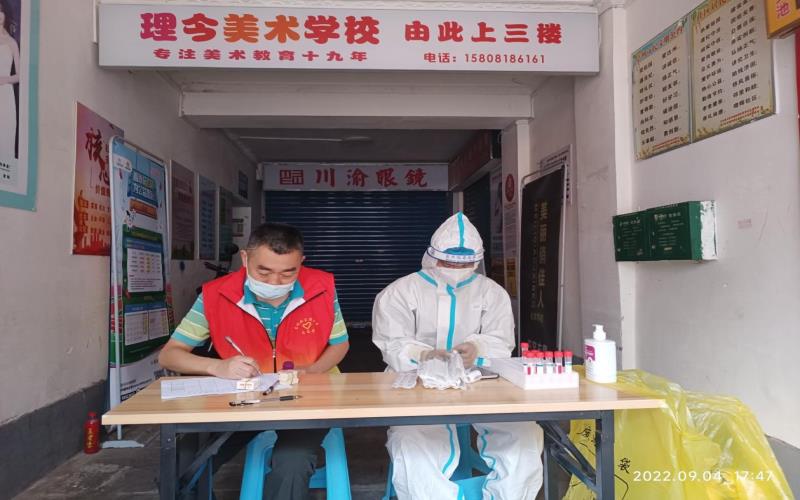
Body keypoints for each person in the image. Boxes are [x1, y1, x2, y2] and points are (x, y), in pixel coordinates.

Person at [159, 222, 349, 500]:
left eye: (288, 273)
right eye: (264, 271)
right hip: (244, 397)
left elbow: (340, 343)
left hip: (309, 397)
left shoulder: (321, 288)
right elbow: (170, 354)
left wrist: (311, 370)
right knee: (182, 464)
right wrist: (217, 366)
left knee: (292, 462)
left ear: (301, 262)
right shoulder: (216, 294)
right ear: (245, 258)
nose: (275, 282)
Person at [372, 212, 544, 500]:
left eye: (464, 265)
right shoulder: (400, 292)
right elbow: (392, 343)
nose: (455, 270)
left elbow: (501, 341)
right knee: (412, 443)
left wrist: (478, 349)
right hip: (416, 384)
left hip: (481, 383)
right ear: (432, 257)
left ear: (476, 262)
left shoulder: (492, 293)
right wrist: (423, 354)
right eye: (448, 263)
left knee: (523, 435)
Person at [0, 0, 20, 167]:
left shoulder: (12, 43)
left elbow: (20, 75)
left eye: (1, 11)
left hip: (6, 94)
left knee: (5, 133)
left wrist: (5, 79)